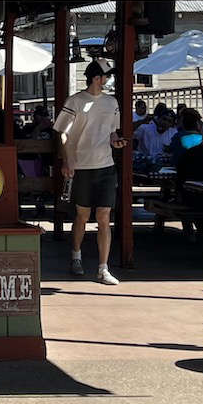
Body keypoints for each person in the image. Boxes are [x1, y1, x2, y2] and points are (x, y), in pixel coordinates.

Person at [55, 59, 125, 285]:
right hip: (81, 167)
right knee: (82, 216)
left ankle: (103, 269)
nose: (108, 80)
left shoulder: (112, 102)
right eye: (106, 76)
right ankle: (76, 255)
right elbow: (62, 133)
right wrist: (67, 160)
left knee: (104, 216)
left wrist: (116, 142)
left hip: (106, 165)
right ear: (97, 78)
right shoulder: (75, 101)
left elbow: (113, 132)